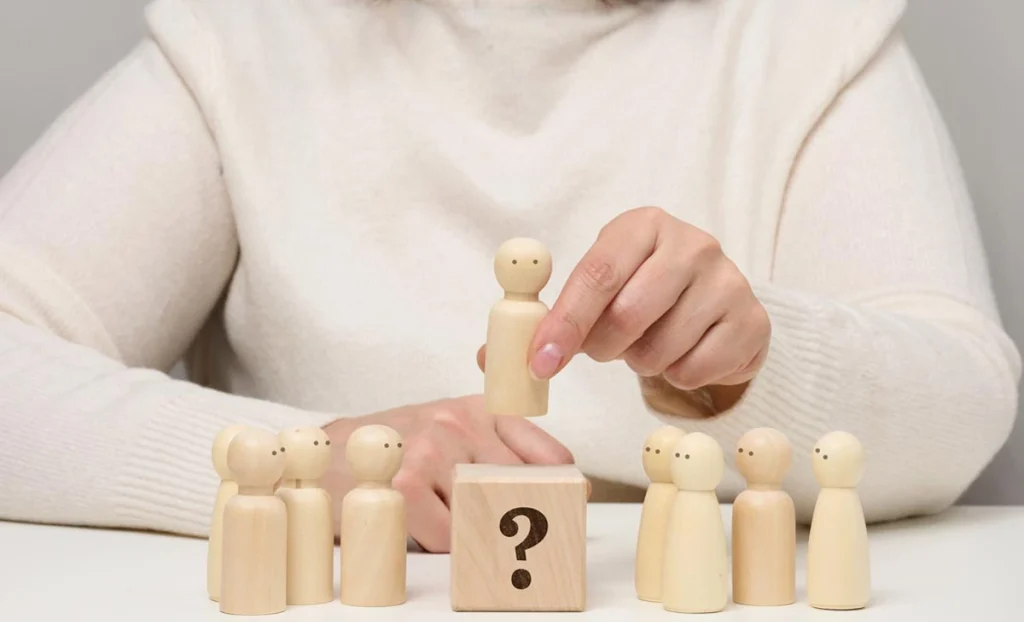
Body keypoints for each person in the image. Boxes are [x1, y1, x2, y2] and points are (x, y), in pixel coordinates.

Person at [0, 0, 1018, 552]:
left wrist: (760, 364)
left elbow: (965, 399)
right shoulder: (247, 39)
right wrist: (305, 461)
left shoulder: (804, 34)